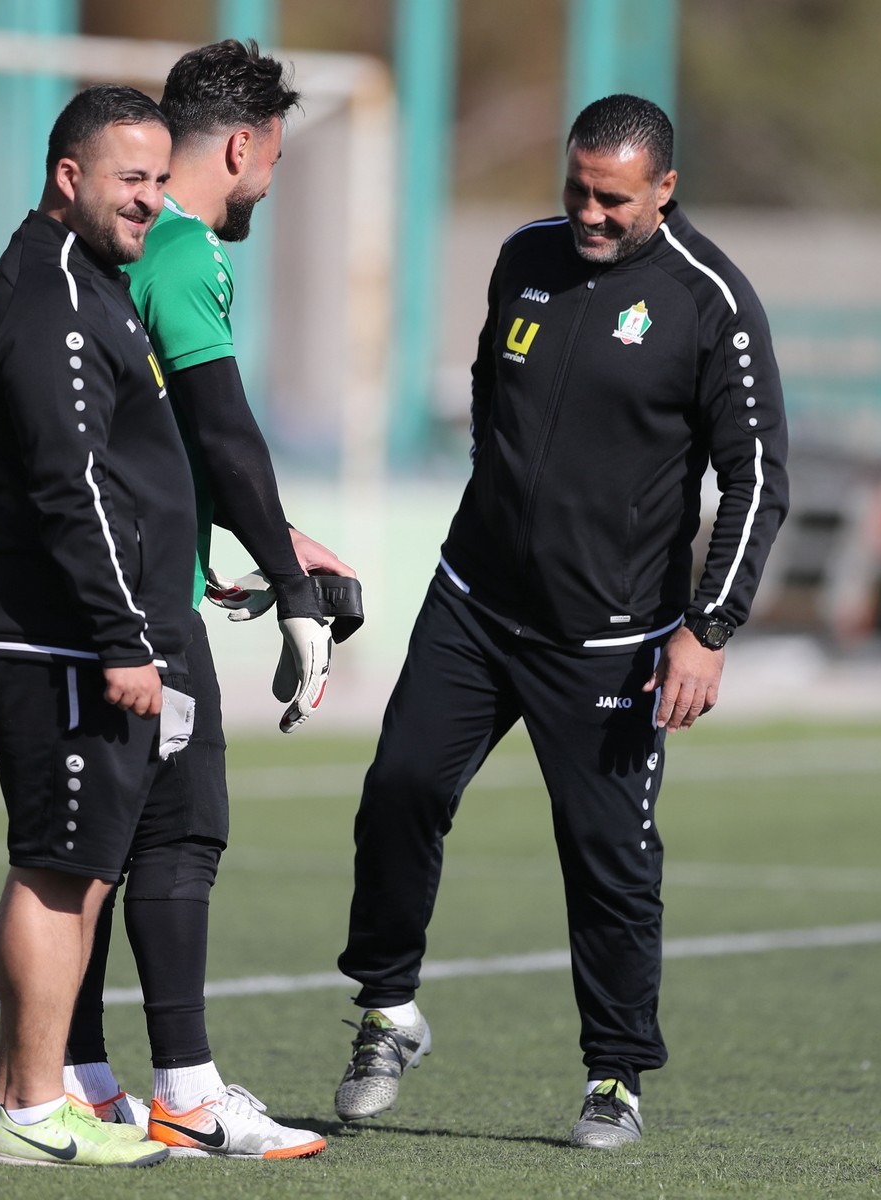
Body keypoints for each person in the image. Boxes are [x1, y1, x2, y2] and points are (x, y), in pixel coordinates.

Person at [332, 94, 789, 1149]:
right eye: (576, 189)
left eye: (612, 199)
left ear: (663, 189)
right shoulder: (524, 255)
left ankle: (614, 1075)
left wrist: (707, 627)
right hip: (474, 602)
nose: (588, 213)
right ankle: (387, 1010)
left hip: (611, 643)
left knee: (606, 855)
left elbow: (757, 477)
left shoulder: (710, 300)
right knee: (400, 786)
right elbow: (493, 394)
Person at [59, 41, 355, 1160]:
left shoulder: (84, 251)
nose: (268, 184)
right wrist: (293, 587)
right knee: (181, 832)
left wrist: (261, 539)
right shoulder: (183, 251)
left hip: (94, 576)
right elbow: (222, 429)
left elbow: (159, 438)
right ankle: (184, 1092)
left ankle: (80, 1079)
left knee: (90, 844)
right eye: (272, 160)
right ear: (242, 146)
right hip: (140, 601)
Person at [0, 85, 193, 1169]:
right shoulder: (54, 294)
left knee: (84, 868)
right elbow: (73, 484)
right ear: (70, 176)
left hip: (77, 628)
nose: (150, 200)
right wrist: (123, 637)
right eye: (129, 178)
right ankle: (29, 1112)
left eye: (160, 179)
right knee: (57, 867)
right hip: (56, 632)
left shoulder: (88, 282)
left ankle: (26, 1099)